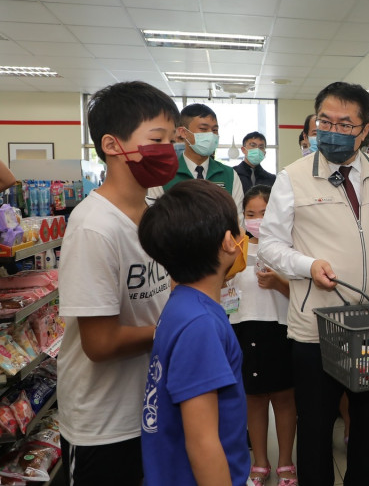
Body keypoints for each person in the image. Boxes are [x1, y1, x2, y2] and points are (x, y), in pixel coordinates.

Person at [260, 82, 369, 486]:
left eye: (345, 124)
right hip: (317, 328)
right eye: (324, 121)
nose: (331, 130)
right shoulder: (292, 178)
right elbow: (269, 246)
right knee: (315, 426)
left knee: (368, 422)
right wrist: (307, 264)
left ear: (365, 130)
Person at [57, 81, 180, 485]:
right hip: (103, 423)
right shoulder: (94, 228)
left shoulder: (153, 211)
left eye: (171, 139)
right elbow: (100, 344)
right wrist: (175, 329)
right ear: (112, 145)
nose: (168, 150)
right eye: (157, 139)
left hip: (149, 406)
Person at [138, 179, 250, 486]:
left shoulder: (182, 304)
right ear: (229, 242)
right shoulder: (200, 325)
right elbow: (202, 443)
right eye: (239, 227)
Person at [231, 185, 296, 486]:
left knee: (284, 398)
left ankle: (286, 463)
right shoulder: (236, 248)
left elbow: (302, 294)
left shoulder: (290, 249)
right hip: (243, 327)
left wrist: (279, 283)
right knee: (253, 399)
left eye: (265, 213)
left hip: (280, 327)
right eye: (251, 214)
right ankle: (260, 462)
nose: (257, 220)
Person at [148, 103, 244, 223]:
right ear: (183, 132)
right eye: (203, 129)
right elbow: (155, 223)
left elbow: (237, 222)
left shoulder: (229, 175)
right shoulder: (163, 175)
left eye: (215, 130)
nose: (211, 135)